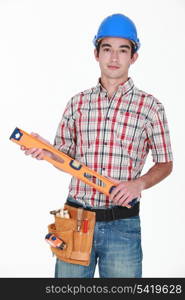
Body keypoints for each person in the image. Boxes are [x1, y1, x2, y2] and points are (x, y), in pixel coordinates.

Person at [21, 13, 173, 278]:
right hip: (75, 220)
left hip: (123, 226)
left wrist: (139, 184)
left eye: (122, 50)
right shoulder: (77, 103)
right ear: (96, 54)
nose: (114, 58)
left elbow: (165, 162)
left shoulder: (151, 107)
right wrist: (47, 152)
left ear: (133, 57)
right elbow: (65, 157)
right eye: (107, 49)